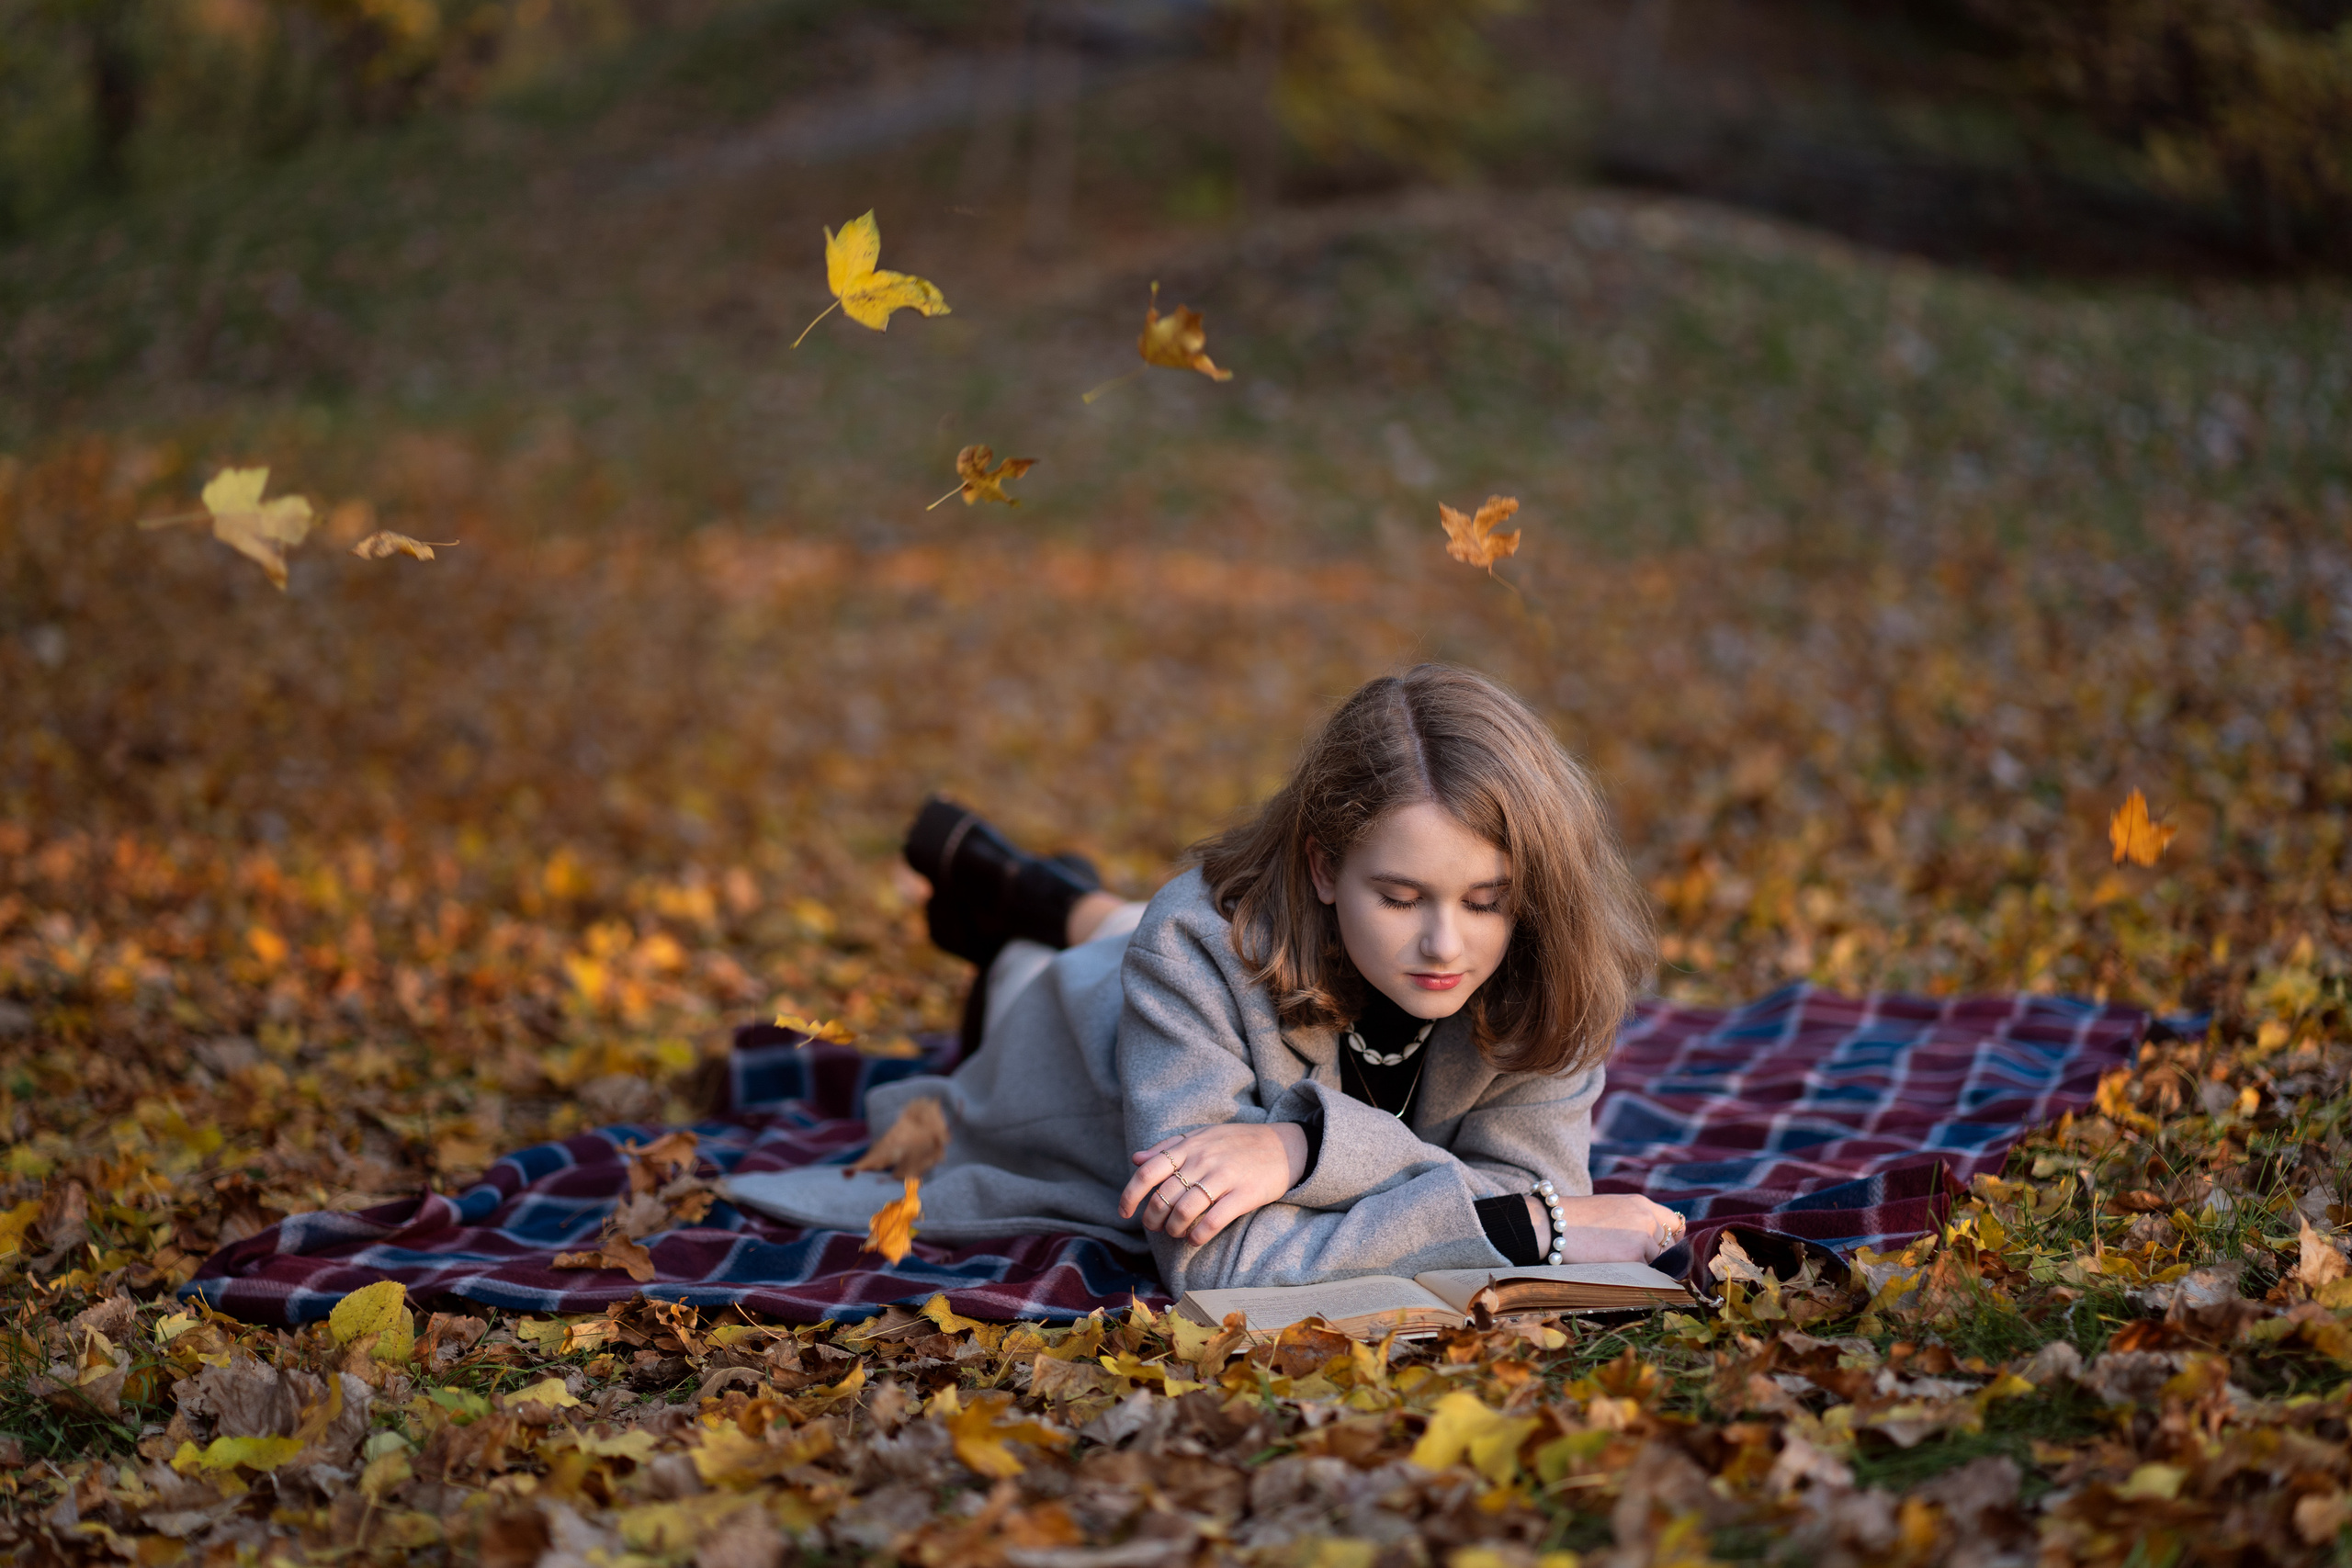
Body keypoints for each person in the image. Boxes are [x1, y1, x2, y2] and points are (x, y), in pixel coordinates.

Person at [733, 664, 1685, 1296]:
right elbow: (1221, 1263)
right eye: (1400, 896)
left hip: (1182, 965)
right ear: (1321, 867)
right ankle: (1039, 933)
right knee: (1111, 957)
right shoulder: (1191, 947)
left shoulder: (1545, 956)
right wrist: (1519, 1227)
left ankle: (1050, 898)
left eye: (1486, 900)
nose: (1446, 945)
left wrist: (1293, 1154)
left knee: (1145, 936)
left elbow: (1529, 1186)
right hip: (1066, 1037)